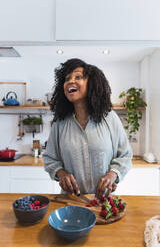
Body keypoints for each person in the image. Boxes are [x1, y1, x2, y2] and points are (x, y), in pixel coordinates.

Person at [43, 58, 132, 198]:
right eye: (67, 79)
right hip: (71, 201)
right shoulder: (59, 124)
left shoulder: (109, 118)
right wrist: (61, 174)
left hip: (103, 203)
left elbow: (125, 155)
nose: (71, 81)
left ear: (91, 84)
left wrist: (112, 175)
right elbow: (50, 158)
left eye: (78, 77)